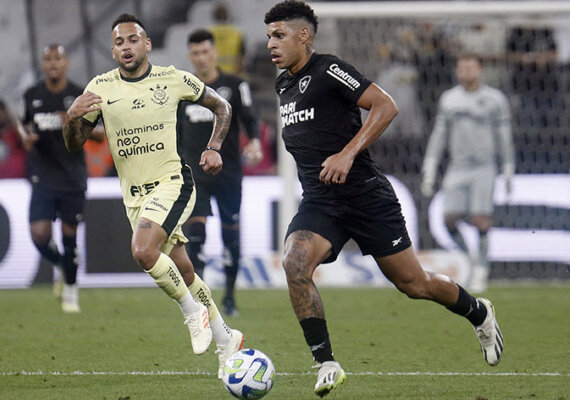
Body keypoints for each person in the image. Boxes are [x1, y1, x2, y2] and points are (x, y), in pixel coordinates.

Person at [264, 2, 504, 397]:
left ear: (303, 35)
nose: (271, 44)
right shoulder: (283, 84)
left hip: (365, 197)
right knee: (294, 262)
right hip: (321, 201)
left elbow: (385, 105)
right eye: (269, 36)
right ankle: (325, 362)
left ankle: (478, 311)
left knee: (414, 284)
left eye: (279, 35)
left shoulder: (328, 69)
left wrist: (347, 153)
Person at [62, 14, 244, 378]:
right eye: (119, 42)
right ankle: (227, 338)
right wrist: (71, 117)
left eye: (133, 40)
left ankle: (194, 313)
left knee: (143, 251)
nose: (126, 47)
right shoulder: (100, 88)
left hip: (173, 182)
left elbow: (222, 106)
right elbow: (74, 144)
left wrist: (214, 147)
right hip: (135, 197)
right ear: (113, 50)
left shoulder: (172, 78)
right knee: (184, 267)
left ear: (146, 44)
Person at [178, 29, 262, 317]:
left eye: (205, 51)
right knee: (196, 235)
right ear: (190, 56)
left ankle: (229, 297)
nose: (201, 57)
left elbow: (250, 119)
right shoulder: (182, 88)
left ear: (214, 53)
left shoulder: (235, 85)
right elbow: (175, 130)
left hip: (228, 172)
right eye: (196, 53)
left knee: (230, 235)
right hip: (194, 174)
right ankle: (200, 301)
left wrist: (254, 142)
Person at [421, 53, 514, 293]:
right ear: (457, 71)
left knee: (481, 218)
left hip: (484, 166)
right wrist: (431, 164)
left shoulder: (495, 99)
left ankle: (481, 270)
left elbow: (504, 135)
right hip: (457, 167)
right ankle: (471, 260)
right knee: (448, 219)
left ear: (480, 70)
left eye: (471, 68)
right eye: (462, 68)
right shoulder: (449, 99)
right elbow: (440, 135)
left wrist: (508, 167)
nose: (466, 73)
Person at [22, 44, 104, 313]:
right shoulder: (31, 95)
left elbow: (100, 134)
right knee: (39, 234)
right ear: (43, 64)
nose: (53, 64)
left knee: (70, 237)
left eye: (58, 58)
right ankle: (59, 263)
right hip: (42, 175)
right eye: (48, 59)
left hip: (72, 176)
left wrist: (73, 121)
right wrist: (27, 137)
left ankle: (70, 290)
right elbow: (25, 126)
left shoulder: (79, 95)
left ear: (66, 63)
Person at [208, 2, 246, 76]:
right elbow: (242, 58)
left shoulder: (208, 33)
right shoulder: (237, 32)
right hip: (234, 74)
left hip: (214, 76)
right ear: (228, 15)